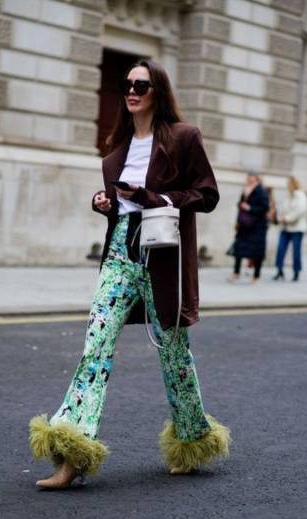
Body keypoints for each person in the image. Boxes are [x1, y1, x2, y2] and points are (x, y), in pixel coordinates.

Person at [29, 59, 230, 490]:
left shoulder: (182, 137)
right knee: (94, 348)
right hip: (121, 250)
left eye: (142, 84)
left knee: (174, 355)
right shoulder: (115, 152)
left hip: (162, 256)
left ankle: (193, 439)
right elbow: (123, 210)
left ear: (158, 91)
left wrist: (151, 196)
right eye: (127, 85)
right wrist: (109, 205)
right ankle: (72, 454)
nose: (133, 91)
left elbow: (207, 194)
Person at [228, 171, 269, 283]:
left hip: (257, 227)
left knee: (257, 252)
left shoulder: (261, 191)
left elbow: (265, 208)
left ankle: (256, 276)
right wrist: (241, 205)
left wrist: (250, 208)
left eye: (252, 176)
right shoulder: (246, 189)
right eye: (249, 176)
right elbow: (241, 204)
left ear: (256, 178)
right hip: (245, 225)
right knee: (239, 249)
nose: (249, 178)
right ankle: (236, 273)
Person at [274, 176, 307, 281]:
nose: (288, 187)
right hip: (285, 228)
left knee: (296, 251)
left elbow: (299, 211)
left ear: (294, 185)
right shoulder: (288, 196)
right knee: (280, 249)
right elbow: (282, 210)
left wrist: (286, 219)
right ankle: (279, 270)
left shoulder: (301, 196)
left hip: (297, 229)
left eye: (289, 185)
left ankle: (296, 272)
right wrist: (280, 218)